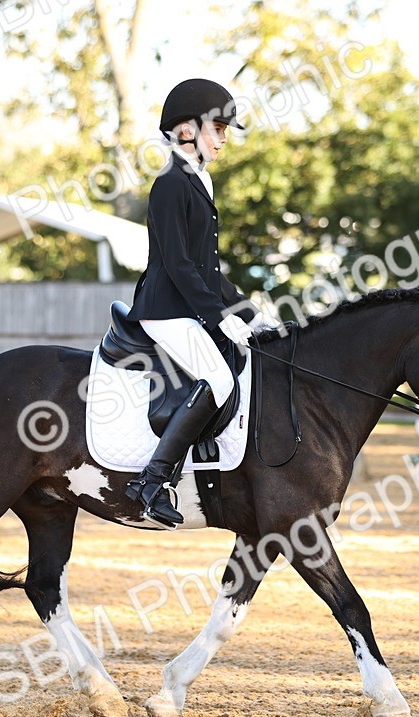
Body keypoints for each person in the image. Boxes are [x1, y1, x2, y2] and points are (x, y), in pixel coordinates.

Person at [124, 78, 271, 529]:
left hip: (187, 305)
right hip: (164, 308)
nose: (225, 138)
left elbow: (209, 270)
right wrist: (217, 318)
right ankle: (152, 481)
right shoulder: (170, 184)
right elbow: (179, 264)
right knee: (219, 380)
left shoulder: (198, 180)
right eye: (219, 129)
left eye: (226, 130)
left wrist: (250, 312)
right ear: (186, 129)